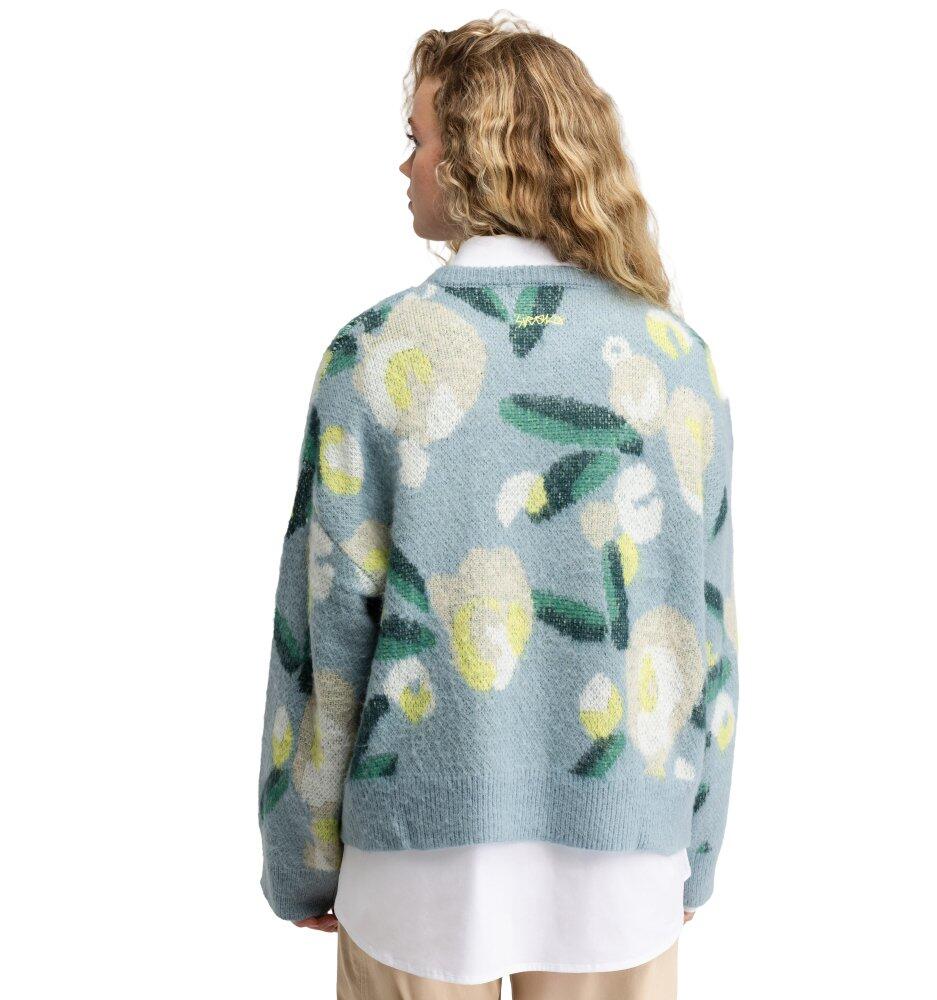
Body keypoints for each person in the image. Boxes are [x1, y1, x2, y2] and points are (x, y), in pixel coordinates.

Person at [256, 13, 739, 999]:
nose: (406, 167)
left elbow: (323, 638)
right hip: (624, 853)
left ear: (479, 152)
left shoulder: (375, 355)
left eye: (419, 140)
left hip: (416, 866)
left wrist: (300, 853)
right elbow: (705, 633)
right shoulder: (674, 361)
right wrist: (694, 846)